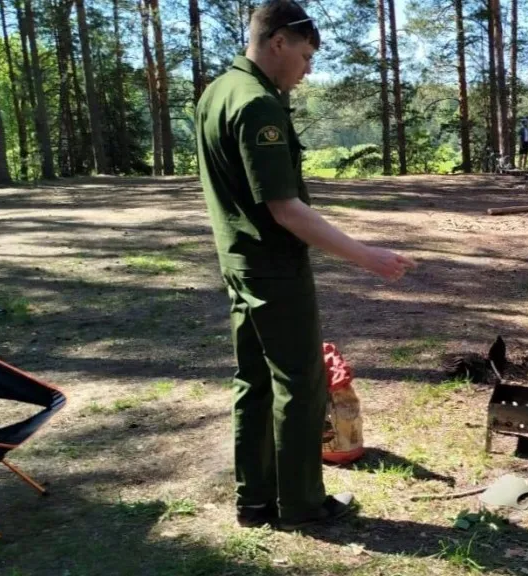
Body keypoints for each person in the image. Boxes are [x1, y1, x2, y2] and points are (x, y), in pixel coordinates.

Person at [195, 0, 416, 530]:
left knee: (254, 380)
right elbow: (285, 209)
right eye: (306, 56)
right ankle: (301, 504)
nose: (308, 69)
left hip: (239, 262)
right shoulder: (257, 104)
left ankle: (255, 500)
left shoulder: (216, 92)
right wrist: (367, 256)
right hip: (273, 267)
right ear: (278, 42)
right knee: (300, 382)